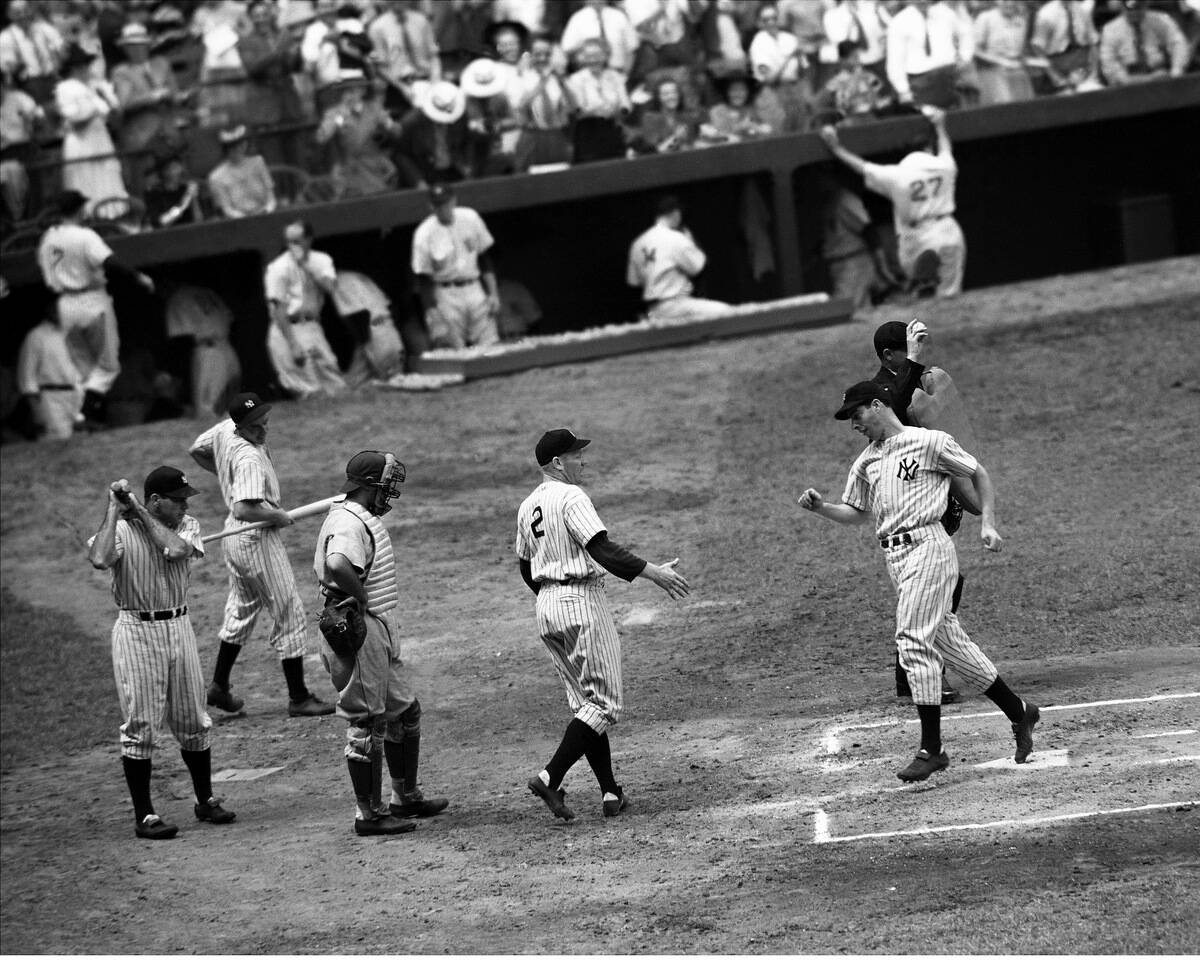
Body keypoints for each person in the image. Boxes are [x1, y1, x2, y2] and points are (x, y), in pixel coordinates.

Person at [797, 381, 1040, 782]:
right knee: (951, 644)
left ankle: (933, 749)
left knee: (912, 638)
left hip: (929, 546)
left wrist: (990, 524)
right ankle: (1020, 711)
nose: (854, 425)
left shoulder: (929, 442)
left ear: (877, 406)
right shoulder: (865, 464)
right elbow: (857, 514)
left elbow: (978, 473)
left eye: (857, 416)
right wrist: (822, 507)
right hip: (895, 558)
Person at [515, 429, 690, 821]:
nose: (583, 460)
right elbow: (602, 549)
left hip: (546, 607)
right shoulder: (571, 496)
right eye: (576, 455)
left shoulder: (528, 506)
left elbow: (526, 567)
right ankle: (550, 776)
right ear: (557, 463)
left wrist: (552, 598)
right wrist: (653, 573)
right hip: (580, 602)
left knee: (585, 704)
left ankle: (610, 792)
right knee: (604, 705)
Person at [87, 466, 237, 839]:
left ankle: (205, 800)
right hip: (137, 631)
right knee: (140, 725)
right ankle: (146, 816)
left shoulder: (186, 526)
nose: (186, 504)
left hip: (179, 626)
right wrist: (113, 508)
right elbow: (101, 559)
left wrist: (137, 511)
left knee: (193, 718)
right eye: (178, 499)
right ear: (156, 500)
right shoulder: (118, 531)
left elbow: (175, 550)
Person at [313, 450, 449, 836]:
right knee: (367, 720)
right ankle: (368, 815)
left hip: (375, 629)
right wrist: (361, 596)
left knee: (405, 711)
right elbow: (339, 563)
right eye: (386, 486)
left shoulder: (355, 516)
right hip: (358, 630)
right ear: (369, 487)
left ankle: (405, 797)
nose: (390, 493)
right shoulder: (348, 523)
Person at [188, 392, 333, 718]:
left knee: (242, 609)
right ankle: (299, 697)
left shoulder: (224, 429)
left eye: (265, 423)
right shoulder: (249, 458)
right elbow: (243, 508)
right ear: (241, 426)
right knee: (290, 612)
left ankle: (219, 687)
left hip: (236, 541)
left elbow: (196, 448)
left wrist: (227, 478)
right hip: (256, 539)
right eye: (256, 428)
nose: (263, 432)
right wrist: (276, 516)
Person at [819, 104, 966, 298]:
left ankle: (923, 287)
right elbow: (946, 149)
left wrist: (836, 148)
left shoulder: (899, 174)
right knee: (950, 292)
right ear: (928, 149)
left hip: (919, 234)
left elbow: (862, 167)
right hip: (948, 228)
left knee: (921, 292)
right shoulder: (944, 166)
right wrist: (940, 127)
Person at [37, 189, 155, 426]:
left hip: (65, 304)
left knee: (83, 366)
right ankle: (85, 414)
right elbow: (109, 262)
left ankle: (81, 417)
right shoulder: (83, 235)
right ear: (79, 210)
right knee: (108, 367)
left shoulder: (48, 238)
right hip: (91, 300)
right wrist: (138, 277)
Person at [263, 219, 348, 398]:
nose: (292, 246)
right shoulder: (278, 267)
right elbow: (279, 309)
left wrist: (306, 263)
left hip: (311, 326)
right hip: (287, 329)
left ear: (309, 239)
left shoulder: (321, 260)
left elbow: (330, 288)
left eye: (297, 240)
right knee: (307, 390)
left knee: (334, 382)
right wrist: (293, 344)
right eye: (289, 241)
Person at [410, 183, 501, 350]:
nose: (442, 208)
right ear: (431, 206)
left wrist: (493, 293)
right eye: (438, 204)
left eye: (446, 202)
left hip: (474, 287)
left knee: (491, 344)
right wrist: (431, 311)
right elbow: (423, 277)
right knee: (453, 349)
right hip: (446, 293)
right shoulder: (424, 233)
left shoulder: (470, 218)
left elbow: (484, 257)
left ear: (454, 200)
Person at [626, 194, 731, 323]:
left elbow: (633, 283)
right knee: (727, 312)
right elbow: (700, 267)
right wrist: (689, 239)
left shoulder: (637, 243)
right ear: (676, 213)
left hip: (652, 311)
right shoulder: (675, 237)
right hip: (676, 305)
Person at [54, 43, 127, 211]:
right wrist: (94, 109)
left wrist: (107, 100)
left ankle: (112, 213)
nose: (85, 69)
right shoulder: (65, 88)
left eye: (85, 64)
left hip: (100, 137)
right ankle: (87, 214)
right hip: (81, 141)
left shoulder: (96, 86)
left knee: (107, 173)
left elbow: (115, 112)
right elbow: (75, 121)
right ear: (73, 68)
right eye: (80, 66)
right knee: (86, 177)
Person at [237, 0, 306, 167]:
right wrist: (277, 52)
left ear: (271, 16)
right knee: (273, 158)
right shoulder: (245, 41)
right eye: (256, 16)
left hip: (288, 102)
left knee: (296, 154)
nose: (261, 19)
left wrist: (296, 55)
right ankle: (280, 193)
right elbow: (252, 69)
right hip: (265, 107)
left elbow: (295, 67)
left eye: (264, 15)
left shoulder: (282, 35)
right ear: (251, 19)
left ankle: (298, 192)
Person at [315, 71, 399, 199]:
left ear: (362, 91)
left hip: (375, 168)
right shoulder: (334, 113)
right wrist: (339, 118)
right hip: (348, 172)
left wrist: (388, 125)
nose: (348, 95)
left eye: (352, 91)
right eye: (344, 91)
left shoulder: (374, 109)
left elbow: (397, 132)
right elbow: (321, 138)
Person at [163, 282, 241, 417]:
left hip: (208, 351)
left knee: (208, 406)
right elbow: (230, 318)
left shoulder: (178, 297)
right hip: (227, 347)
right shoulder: (206, 291)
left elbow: (180, 340)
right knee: (228, 400)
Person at [885, 0, 974, 109]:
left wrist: (965, 56)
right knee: (928, 122)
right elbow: (895, 60)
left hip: (950, 77)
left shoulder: (945, 14)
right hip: (920, 81)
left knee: (956, 119)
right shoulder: (899, 22)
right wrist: (903, 89)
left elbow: (966, 33)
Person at [16, 300, 82, 440]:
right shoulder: (36, 336)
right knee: (56, 442)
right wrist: (36, 410)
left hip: (76, 395)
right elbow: (27, 377)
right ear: (51, 311)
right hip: (50, 399)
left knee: (80, 441)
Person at [330, 269, 406, 384]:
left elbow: (360, 315)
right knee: (354, 383)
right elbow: (390, 307)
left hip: (374, 334)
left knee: (391, 383)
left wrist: (365, 345)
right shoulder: (358, 276)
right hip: (388, 329)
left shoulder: (340, 281)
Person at [566, 37, 632, 163]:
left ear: (606, 56)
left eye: (597, 55)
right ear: (582, 58)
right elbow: (579, 109)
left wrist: (620, 111)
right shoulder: (576, 80)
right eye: (589, 56)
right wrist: (602, 109)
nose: (593, 60)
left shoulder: (616, 77)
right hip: (588, 132)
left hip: (613, 128)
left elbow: (626, 105)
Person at [749, 1, 811, 134]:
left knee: (802, 131)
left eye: (774, 18)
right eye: (766, 20)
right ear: (759, 22)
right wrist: (789, 58)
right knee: (781, 133)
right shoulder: (758, 43)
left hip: (796, 89)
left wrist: (799, 58)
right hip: (775, 92)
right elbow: (769, 79)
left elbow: (804, 71)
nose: (771, 22)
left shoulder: (789, 38)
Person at [368, 0, 441, 113]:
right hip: (398, 87)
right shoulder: (377, 27)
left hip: (426, 80)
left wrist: (435, 80)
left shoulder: (421, 21)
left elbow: (433, 54)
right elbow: (381, 66)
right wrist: (402, 88)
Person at [1098, 0, 1189, 86]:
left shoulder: (1161, 20)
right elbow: (1111, 70)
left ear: (1146, 4)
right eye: (1129, 7)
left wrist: (1176, 72)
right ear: (1121, 6)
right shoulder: (1110, 30)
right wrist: (1148, 79)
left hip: (1163, 79)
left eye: (1138, 7)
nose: (1134, 11)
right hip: (1128, 86)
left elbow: (1179, 44)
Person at [0, 0, 65, 106]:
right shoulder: (6, 37)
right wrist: (13, 66)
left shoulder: (43, 28)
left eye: (25, 10)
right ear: (9, 15)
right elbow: (7, 67)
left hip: (52, 77)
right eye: (17, 12)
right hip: (29, 84)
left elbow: (60, 44)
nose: (23, 14)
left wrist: (58, 54)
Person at [0, 68, 44, 223]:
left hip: (23, 150)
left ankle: (33, 226)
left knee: (31, 195)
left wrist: (32, 120)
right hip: (3, 155)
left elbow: (38, 119)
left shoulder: (19, 98)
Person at [1029, 0, 1101, 94]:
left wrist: (1093, 74)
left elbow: (1094, 41)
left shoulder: (1083, 9)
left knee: (1096, 93)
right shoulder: (1045, 14)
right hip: (1059, 67)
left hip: (1084, 65)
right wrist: (1055, 76)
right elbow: (1037, 48)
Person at [206, 124, 278, 219]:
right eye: (231, 147)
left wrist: (267, 210)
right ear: (225, 150)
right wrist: (245, 219)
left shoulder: (258, 162)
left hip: (266, 215)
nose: (237, 149)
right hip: (238, 222)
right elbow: (227, 209)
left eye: (240, 144)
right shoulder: (216, 177)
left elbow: (271, 197)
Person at [971, 0, 1035, 106]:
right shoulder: (985, 18)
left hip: (1018, 74)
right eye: (1004, 1)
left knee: (1026, 110)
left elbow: (1020, 51)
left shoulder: (1021, 20)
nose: (1009, 3)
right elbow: (974, 50)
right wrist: (999, 61)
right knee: (1004, 112)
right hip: (992, 73)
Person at [628, 76, 699, 153]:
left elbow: (691, 145)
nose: (671, 96)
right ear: (658, 97)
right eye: (666, 94)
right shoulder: (650, 118)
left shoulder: (686, 117)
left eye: (674, 92)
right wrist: (676, 138)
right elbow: (656, 152)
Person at [143, 149, 203, 229]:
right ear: (164, 172)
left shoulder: (185, 189)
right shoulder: (154, 193)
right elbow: (161, 222)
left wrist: (194, 198)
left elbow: (199, 221)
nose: (179, 171)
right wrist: (183, 205)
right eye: (173, 168)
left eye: (179, 166)